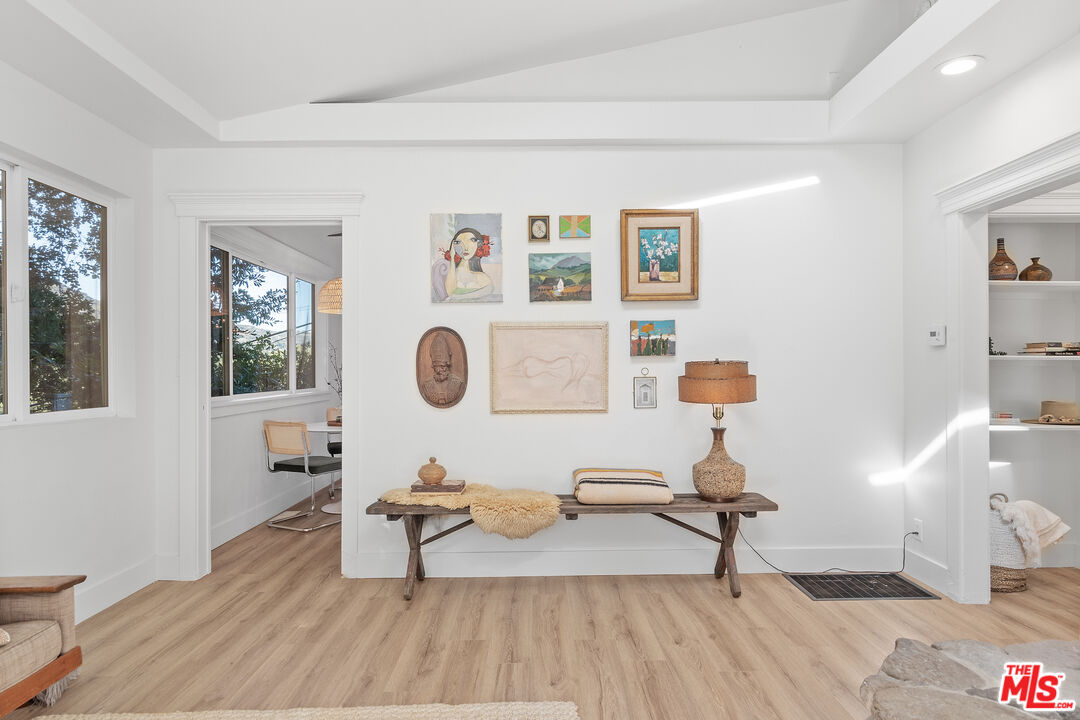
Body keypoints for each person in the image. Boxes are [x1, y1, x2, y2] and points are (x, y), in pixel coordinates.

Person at [443, 227, 492, 300]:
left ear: (479, 245)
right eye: (458, 242)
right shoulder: (449, 274)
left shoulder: (482, 277)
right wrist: (452, 257)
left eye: (472, 240)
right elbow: (449, 292)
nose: (465, 248)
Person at [420, 333, 465, 407]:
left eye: (442, 366)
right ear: (433, 366)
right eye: (436, 366)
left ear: (447, 365)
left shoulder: (457, 384)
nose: (438, 370)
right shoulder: (426, 386)